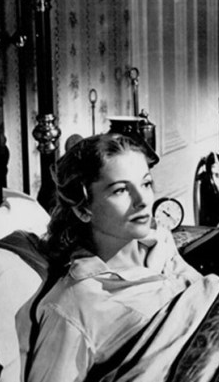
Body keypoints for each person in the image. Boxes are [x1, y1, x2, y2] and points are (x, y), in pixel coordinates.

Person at [28, 133, 203, 381]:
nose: (142, 201)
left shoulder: (162, 246)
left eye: (146, 184)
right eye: (121, 190)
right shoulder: (74, 306)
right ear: (83, 209)